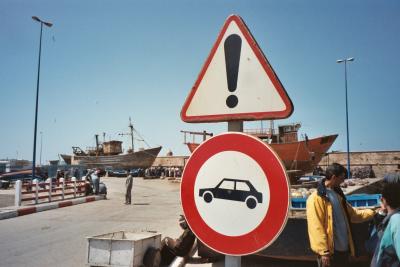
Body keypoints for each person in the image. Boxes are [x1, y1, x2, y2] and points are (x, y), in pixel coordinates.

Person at [306, 163, 376, 267]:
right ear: (334, 177)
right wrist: (324, 252)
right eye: (342, 178)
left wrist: (374, 212)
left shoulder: (338, 195)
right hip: (330, 253)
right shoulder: (316, 198)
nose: (343, 181)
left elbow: (353, 215)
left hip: (344, 250)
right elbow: (316, 227)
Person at [370, 182, 400, 267]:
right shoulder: (393, 218)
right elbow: (381, 232)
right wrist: (382, 213)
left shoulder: (396, 220)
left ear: (383, 200)